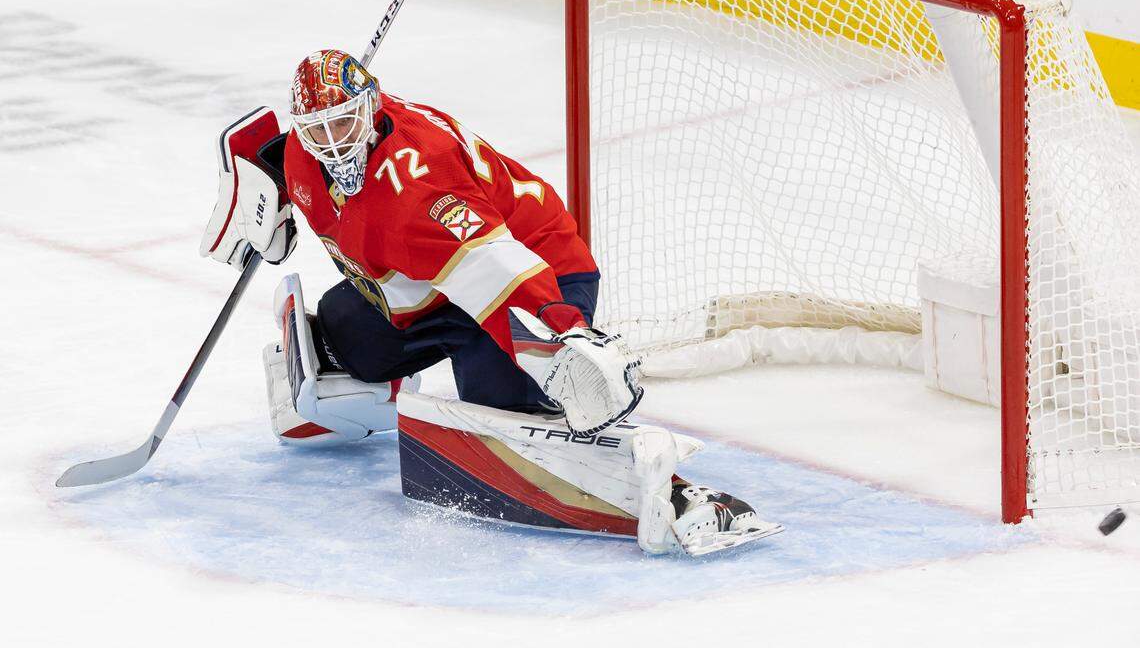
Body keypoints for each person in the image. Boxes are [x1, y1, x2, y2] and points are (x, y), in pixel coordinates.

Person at [199, 49, 781, 556]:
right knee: (342, 336)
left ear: (372, 110)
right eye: (317, 130)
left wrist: (562, 340)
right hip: (426, 282)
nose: (331, 145)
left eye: (343, 125)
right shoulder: (306, 154)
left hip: (538, 271)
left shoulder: (419, 190)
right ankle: (408, 374)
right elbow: (269, 149)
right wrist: (261, 194)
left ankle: (669, 490)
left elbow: (494, 269)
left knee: (505, 420)